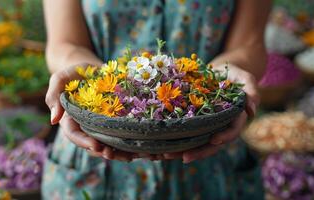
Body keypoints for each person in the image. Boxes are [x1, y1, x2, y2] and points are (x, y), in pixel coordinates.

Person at [42, 0, 271, 199]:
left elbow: (249, 44)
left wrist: (223, 77)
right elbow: (65, 43)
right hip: (98, 142)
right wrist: (86, 73)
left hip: (209, 141)